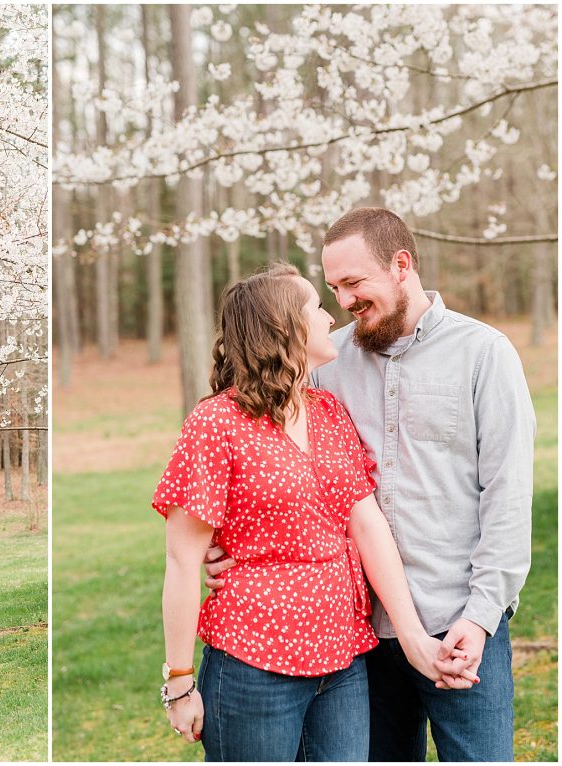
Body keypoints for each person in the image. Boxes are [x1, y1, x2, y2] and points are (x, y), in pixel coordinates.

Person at [155, 264, 476, 762]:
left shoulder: (327, 411)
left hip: (342, 662)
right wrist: (178, 681)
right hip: (254, 663)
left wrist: (412, 635)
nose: (331, 318)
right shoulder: (216, 422)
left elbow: (367, 525)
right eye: (316, 308)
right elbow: (180, 560)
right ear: (284, 327)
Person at [311, 207, 532, 761]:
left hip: (461, 629)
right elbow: (289, 480)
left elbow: (506, 499)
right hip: (360, 636)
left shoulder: (485, 354)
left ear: (401, 264)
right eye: (333, 287)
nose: (344, 300)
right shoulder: (326, 366)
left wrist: (480, 621)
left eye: (354, 282)